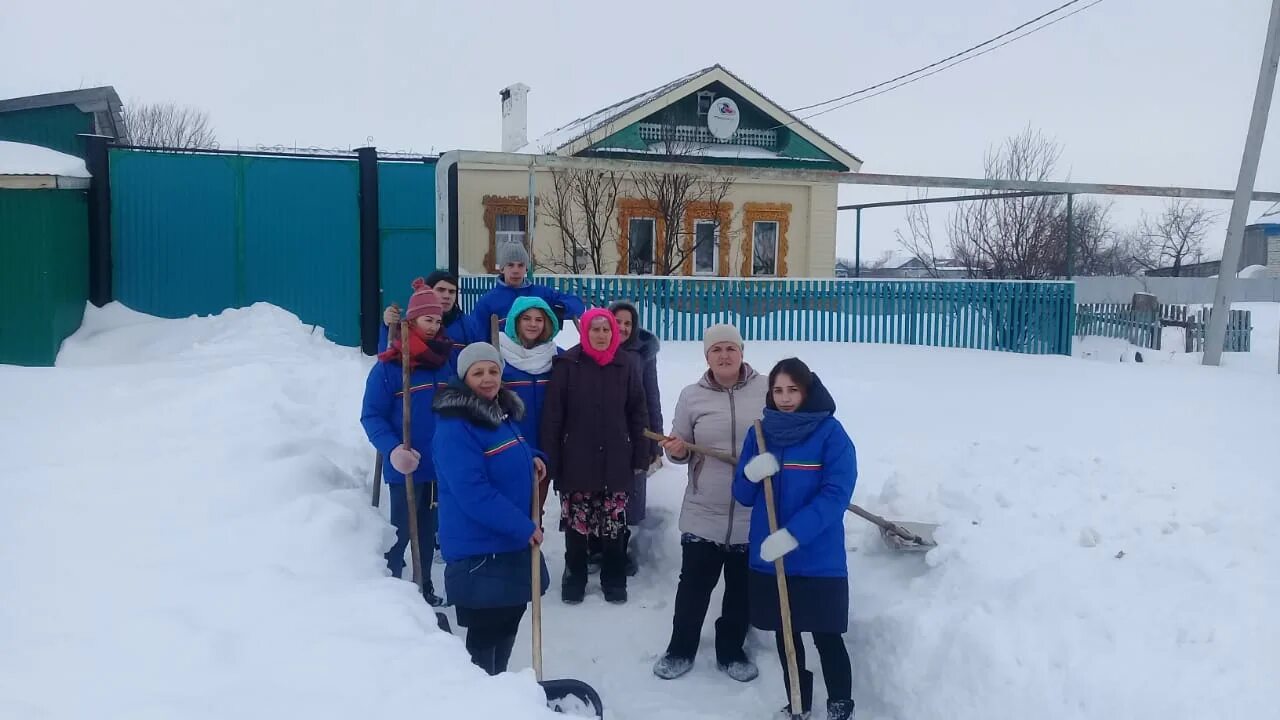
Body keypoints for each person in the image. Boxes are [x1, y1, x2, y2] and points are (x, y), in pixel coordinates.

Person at [732, 358, 858, 720]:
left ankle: (839, 703)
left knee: (826, 634)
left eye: (793, 390)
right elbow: (741, 493)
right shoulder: (760, 433)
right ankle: (798, 703)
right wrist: (752, 473)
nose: (785, 398)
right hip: (772, 557)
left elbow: (836, 495)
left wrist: (793, 534)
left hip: (818, 558)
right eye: (778, 390)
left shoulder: (831, 434)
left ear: (807, 391)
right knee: (787, 634)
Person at [651, 323, 766, 683]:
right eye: (716, 350)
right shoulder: (691, 396)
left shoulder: (766, 389)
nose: (724, 355)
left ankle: (731, 651)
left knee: (740, 590)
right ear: (707, 356)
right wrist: (678, 451)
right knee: (694, 588)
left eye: (730, 348)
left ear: (742, 352)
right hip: (704, 508)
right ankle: (680, 649)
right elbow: (680, 446)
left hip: (753, 510)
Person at [432, 343, 550, 676]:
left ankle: (500, 688)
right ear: (463, 377)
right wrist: (523, 527)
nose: (487, 379)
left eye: (493, 371)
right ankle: (481, 694)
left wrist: (534, 458)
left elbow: (512, 450)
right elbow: (473, 493)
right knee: (486, 631)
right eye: (478, 372)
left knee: (508, 619)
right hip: (480, 548)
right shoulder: (456, 427)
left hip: (507, 543)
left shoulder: (498, 413)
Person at [541, 308, 648, 605]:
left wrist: (641, 453)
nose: (601, 335)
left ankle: (613, 577)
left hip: (617, 458)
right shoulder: (567, 364)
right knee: (577, 525)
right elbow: (553, 416)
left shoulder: (625, 364)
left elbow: (638, 411)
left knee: (614, 525)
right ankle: (574, 575)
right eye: (595, 329)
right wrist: (552, 459)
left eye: (606, 330)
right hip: (576, 459)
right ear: (584, 332)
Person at [360, 284, 455, 607]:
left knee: (427, 531)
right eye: (427, 319)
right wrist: (394, 449)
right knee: (400, 529)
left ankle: (423, 584)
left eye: (438, 320)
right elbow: (371, 416)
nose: (434, 326)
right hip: (406, 465)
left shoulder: (446, 362)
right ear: (411, 321)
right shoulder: (388, 367)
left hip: (438, 463)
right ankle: (390, 590)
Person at [601, 300, 662, 577]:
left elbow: (652, 395)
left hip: (634, 432)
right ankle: (596, 544)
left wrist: (655, 440)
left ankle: (622, 547)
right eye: (618, 322)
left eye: (628, 323)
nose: (623, 328)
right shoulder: (597, 347)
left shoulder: (642, 354)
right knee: (600, 490)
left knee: (629, 493)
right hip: (601, 434)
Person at [498, 296, 561, 518]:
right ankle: (513, 550)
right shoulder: (499, 354)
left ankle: (533, 545)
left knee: (536, 506)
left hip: (545, 442)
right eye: (526, 318)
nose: (533, 324)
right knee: (511, 504)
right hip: (510, 442)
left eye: (539, 319)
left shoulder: (556, 356)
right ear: (515, 321)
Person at [470, 243, 585, 332]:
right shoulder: (488, 301)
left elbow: (578, 305)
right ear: (502, 269)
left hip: (539, 353)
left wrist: (561, 308)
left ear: (526, 269)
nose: (516, 270)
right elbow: (477, 335)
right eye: (510, 265)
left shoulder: (541, 294)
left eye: (520, 265)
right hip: (505, 357)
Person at [380, 271, 480, 360]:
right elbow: (387, 356)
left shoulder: (469, 325)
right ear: (428, 291)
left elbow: (480, 361)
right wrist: (388, 326)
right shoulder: (410, 326)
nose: (447, 296)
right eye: (441, 290)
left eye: (452, 292)